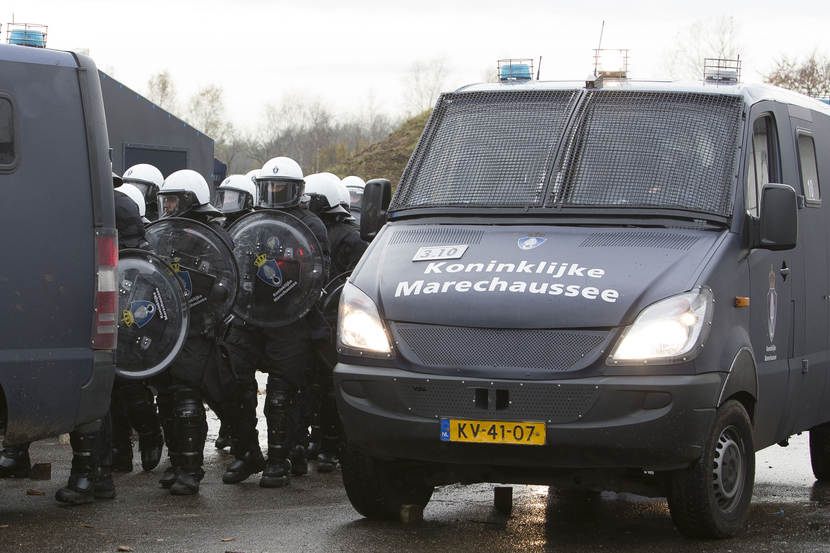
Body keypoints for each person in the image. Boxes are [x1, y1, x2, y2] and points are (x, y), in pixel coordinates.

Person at [222, 157, 330, 488]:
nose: (275, 192)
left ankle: (279, 459)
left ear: (297, 190)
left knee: (281, 396)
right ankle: (247, 452)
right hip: (250, 317)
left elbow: (319, 274)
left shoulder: (312, 225)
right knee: (233, 383)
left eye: (281, 187)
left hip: (292, 320)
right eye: (269, 186)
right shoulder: (251, 222)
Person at [153, 169, 237, 495]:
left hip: (200, 329)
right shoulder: (161, 235)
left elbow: (227, 283)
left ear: (190, 199)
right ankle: (176, 462)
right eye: (165, 201)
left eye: (173, 200)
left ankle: (190, 469)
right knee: (167, 397)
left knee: (187, 397)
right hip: (167, 327)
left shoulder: (214, 236)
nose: (168, 207)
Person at [304, 173, 368, 472]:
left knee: (325, 384)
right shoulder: (306, 231)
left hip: (331, 319)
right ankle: (320, 440)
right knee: (316, 383)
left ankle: (328, 443)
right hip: (319, 317)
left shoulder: (349, 238)